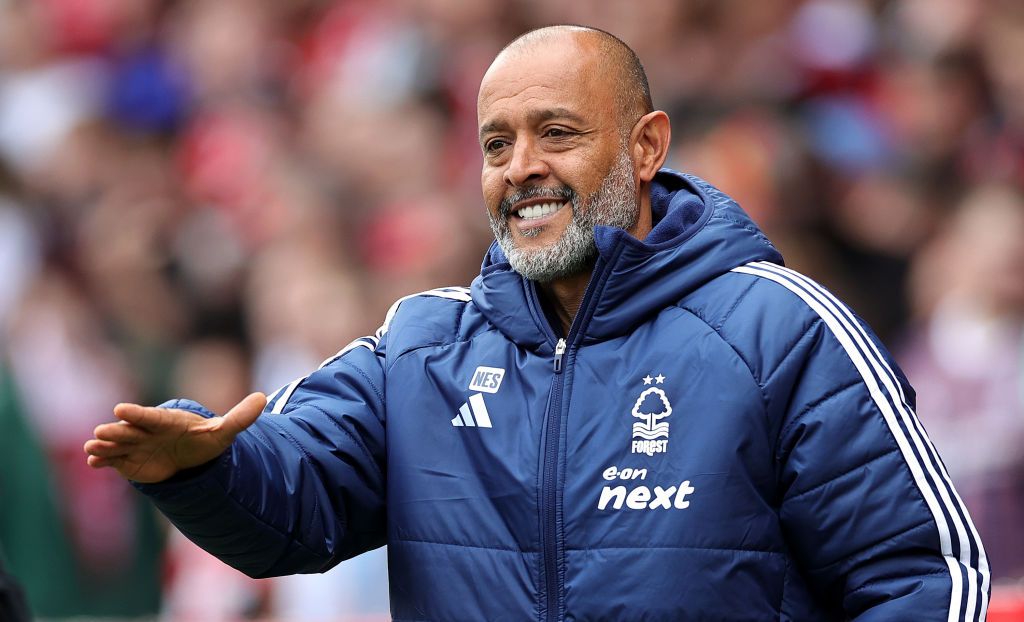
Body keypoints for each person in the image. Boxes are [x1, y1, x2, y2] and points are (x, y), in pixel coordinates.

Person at [84, 25, 989, 621]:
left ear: (645, 147)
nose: (521, 167)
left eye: (556, 133)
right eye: (495, 143)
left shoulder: (779, 331)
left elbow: (923, 581)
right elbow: (293, 506)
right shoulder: (422, 348)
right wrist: (206, 470)